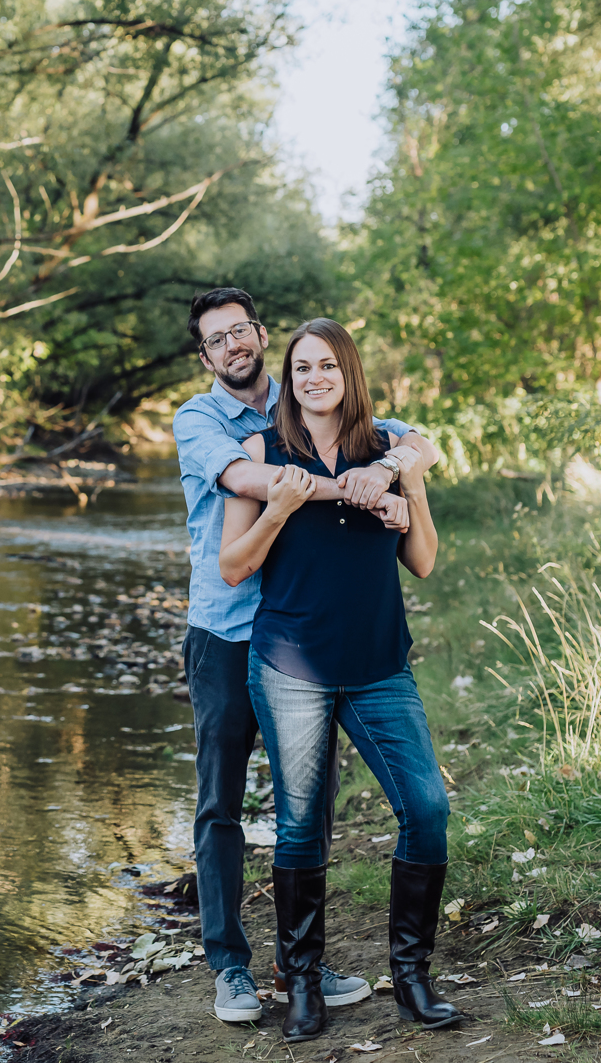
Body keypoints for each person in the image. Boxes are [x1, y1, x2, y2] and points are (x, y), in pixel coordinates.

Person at [173, 290, 439, 1025]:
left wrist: (392, 468)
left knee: (307, 804)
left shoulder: (317, 403)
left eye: (241, 331)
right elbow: (251, 483)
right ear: (205, 356)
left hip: (313, 633)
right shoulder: (203, 421)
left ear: (261, 336)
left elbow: (423, 441)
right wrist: (363, 483)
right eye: (216, 339)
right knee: (222, 802)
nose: (232, 345)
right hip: (229, 631)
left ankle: (305, 968)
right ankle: (229, 965)